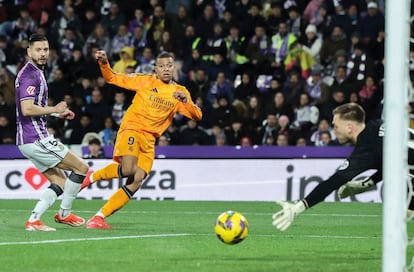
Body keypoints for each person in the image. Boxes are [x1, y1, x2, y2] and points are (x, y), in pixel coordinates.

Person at [82, 50, 202, 229]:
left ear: (174, 67)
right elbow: (112, 78)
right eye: (161, 66)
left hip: (150, 140)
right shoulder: (145, 80)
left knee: (137, 180)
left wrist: (186, 102)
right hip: (132, 129)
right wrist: (104, 63)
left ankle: (99, 218)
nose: (166, 69)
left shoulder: (179, 92)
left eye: (169, 66)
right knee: (129, 169)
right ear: (155, 69)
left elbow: (197, 116)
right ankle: (92, 177)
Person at [272, 102, 414, 231]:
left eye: (336, 126)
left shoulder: (365, 149)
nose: (334, 130)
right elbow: (392, 162)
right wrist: (367, 183)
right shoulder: (378, 124)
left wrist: (299, 207)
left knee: (398, 197)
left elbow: (332, 183)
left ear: (350, 128)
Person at [16, 34, 89, 231]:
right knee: (81, 168)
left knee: (60, 182)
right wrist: (54, 109)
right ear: (29, 52)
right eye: (38, 50)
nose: (43, 54)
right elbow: (27, 109)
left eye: (46, 50)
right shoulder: (29, 75)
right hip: (35, 138)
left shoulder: (36, 72)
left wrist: (58, 114)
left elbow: (34, 109)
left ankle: (34, 220)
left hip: (29, 139)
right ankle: (64, 214)